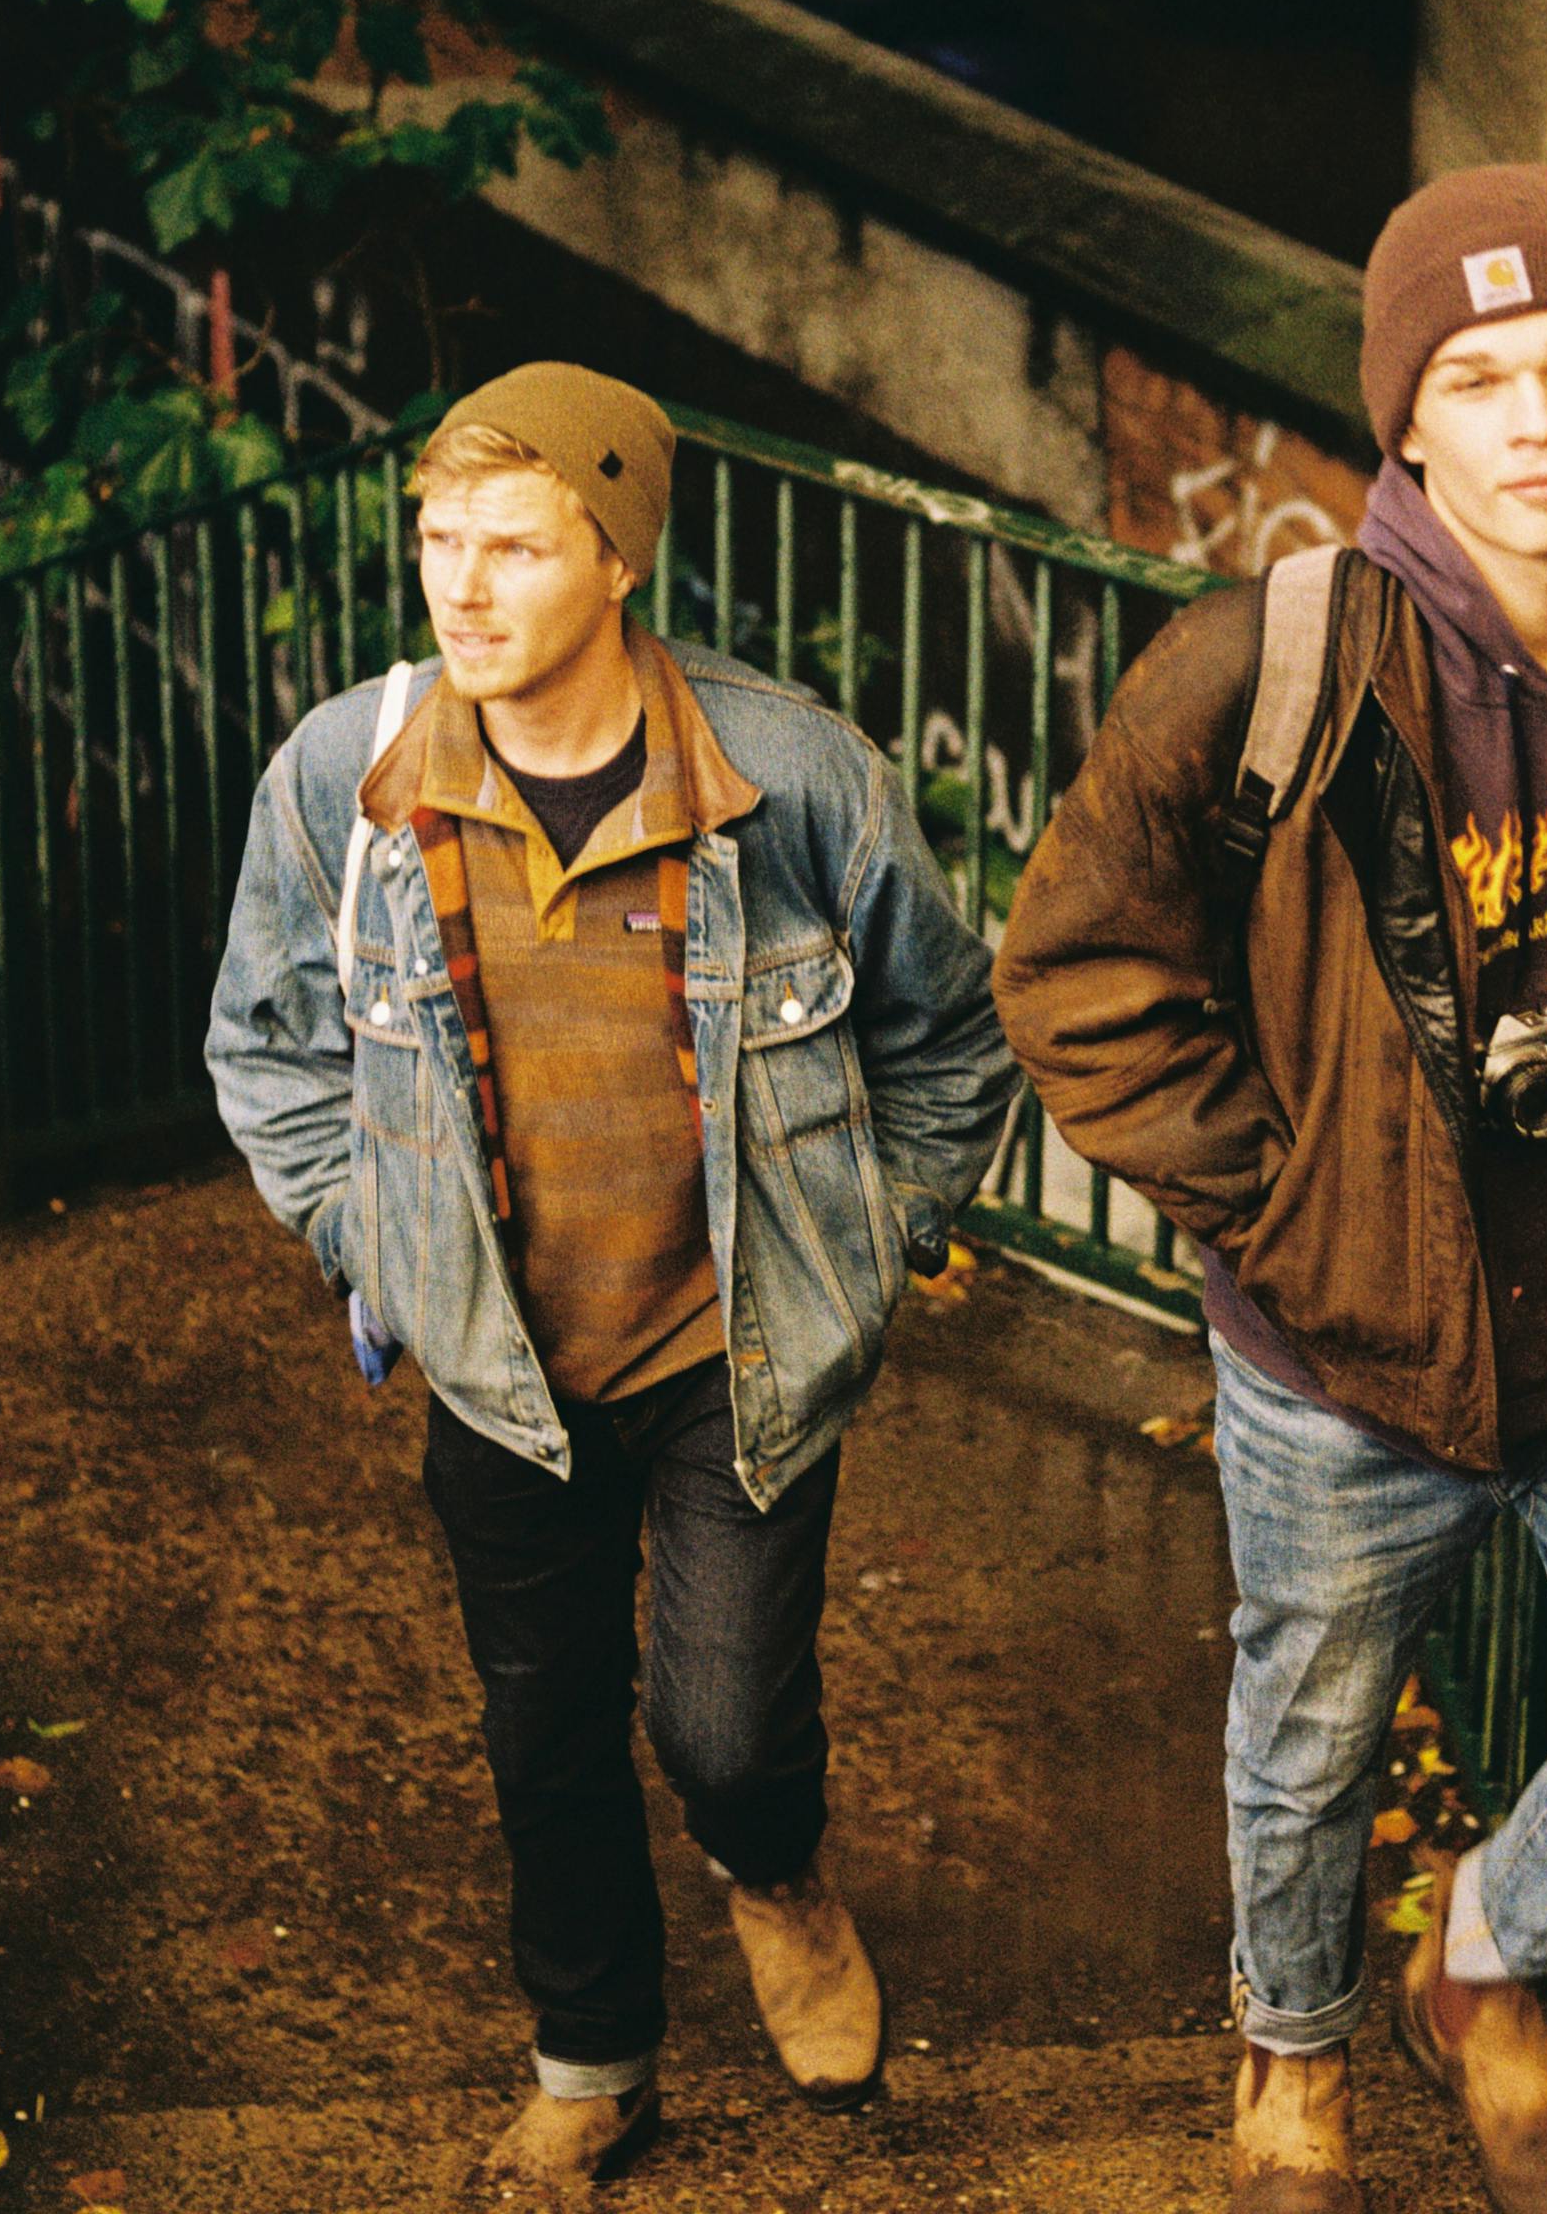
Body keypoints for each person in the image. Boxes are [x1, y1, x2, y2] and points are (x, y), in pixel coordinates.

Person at [996, 167, 1547, 2214]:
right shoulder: (1265, 666)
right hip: (1340, 1332)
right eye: (1480, 380)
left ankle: (1475, 1960)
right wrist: (1290, 1212)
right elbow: (1074, 979)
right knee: (1306, 1739)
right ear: (1411, 424)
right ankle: (1289, 2049)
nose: (1539, 417)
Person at [206, 363, 1019, 2193]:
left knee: (723, 1728)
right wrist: (377, 1243)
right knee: (542, 1727)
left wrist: (870, 1248)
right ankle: (593, 2060)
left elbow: (955, 1043)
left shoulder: (789, 780)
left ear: (621, 556)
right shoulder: (351, 777)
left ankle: (775, 1871)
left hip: (734, 1352)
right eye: (436, 543)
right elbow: (265, 1048)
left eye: (513, 546)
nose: (460, 588)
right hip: (498, 1365)